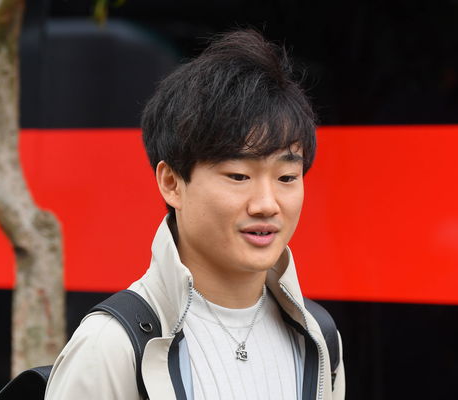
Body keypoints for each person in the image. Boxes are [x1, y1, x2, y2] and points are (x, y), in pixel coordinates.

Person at [45, 29, 345, 400]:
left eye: (287, 177)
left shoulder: (318, 337)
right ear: (171, 183)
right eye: (239, 175)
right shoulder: (112, 347)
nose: (267, 203)